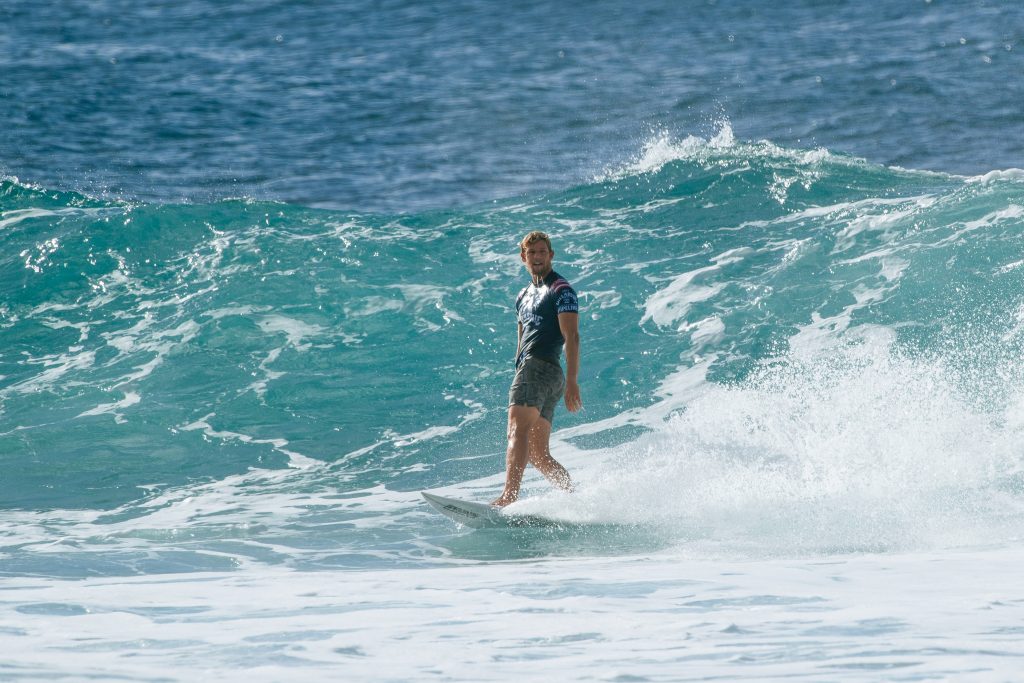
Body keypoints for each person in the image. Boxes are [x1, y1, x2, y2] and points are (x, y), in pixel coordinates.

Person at [492, 231, 582, 507]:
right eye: (532, 253)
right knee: (537, 453)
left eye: (543, 252)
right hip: (536, 372)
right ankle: (574, 500)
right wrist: (517, 366)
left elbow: (572, 336)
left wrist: (573, 382)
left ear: (551, 255)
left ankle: (508, 497)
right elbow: (522, 333)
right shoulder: (522, 296)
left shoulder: (561, 290)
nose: (538, 257)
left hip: (542, 367)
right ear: (523, 257)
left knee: (516, 432)